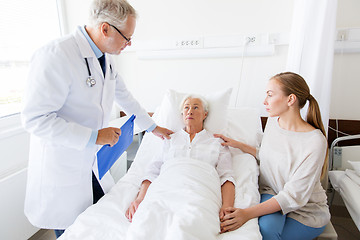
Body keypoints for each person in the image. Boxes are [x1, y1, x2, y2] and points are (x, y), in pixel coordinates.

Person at [21, 0, 173, 238]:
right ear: (105, 29)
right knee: (73, 232)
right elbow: (35, 119)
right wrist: (94, 136)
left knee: (96, 225)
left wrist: (153, 127)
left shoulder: (105, 58)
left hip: (90, 162)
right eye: (126, 37)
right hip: (62, 166)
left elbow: (126, 98)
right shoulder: (56, 55)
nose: (129, 44)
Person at [215, 72, 330, 240]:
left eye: (270, 95)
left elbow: (294, 195)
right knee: (265, 230)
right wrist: (238, 144)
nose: (264, 101)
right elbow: (269, 157)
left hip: (305, 211)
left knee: (269, 234)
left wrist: (246, 214)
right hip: (274, 193)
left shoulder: (315, 141)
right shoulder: (273, 122)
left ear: (290, 99)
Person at [125, 96, 235, 239]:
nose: (190, 111)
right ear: (182, 114)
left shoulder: (217, 142)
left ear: (205, 114)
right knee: (146, 224)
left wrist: (227, 206)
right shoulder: (169, 139)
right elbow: (152, 172)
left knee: (190, 225)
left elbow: (226, 177)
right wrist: (140, 199)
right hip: (164, 191)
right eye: (186, 107)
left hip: (199, 193)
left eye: (196, 107)